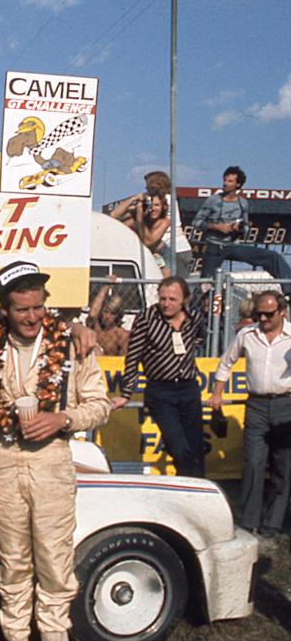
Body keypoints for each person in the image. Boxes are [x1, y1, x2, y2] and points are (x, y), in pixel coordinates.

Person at [0, 261, 111, 641]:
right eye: (21, 310)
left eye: (38, 307)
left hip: (52, 462)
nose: (32, 317)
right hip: (4, 463)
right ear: (4, 310)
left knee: (54, 561)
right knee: (12, 561)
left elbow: (100, 404)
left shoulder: (73, 345)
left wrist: (63, 418)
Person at [209, 291, 291, 537]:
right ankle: (249, 520)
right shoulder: (247, 335)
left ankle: (272, 523)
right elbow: (226, 363)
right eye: (259, 314)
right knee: (253, 463)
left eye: (269, 314)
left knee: (283, 466)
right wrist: (217, 393)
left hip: (286, 404)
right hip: (255, 405)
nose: (263, 319)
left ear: (282, 313)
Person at [114, 276, 205, 477]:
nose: (166, 304)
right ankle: (189, 485)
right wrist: (126, 393)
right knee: (178, 447)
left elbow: (199, 337)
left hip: (188, 388)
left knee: (196, 447)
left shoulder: (194, 317)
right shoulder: (147, 318)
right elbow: (133, 356)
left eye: (172, 299)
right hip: (161, 390)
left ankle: (197, 490)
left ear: (184, 300)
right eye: (163, 298)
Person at [192, 166, 291, 295]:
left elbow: (246, 227)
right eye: (225, 180)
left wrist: (238, 228)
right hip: (214, 246)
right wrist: (217, 227)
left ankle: (288, 291)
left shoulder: (242, 203)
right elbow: (196, 222)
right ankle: (199, 304)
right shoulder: (213, 201)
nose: (225, 184)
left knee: (273, 257)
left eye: (230, 181)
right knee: (206, 282)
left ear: (238, 185)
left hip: (233, 245)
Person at [109, 191, 172, 277]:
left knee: (164, 281)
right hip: (139, 252)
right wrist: (134, 199)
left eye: (157, 205)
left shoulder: (165, 222)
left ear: (163, 207)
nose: (153, 208)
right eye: (151, 205)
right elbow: (113, 215)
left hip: (160, 254)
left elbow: (148, 242)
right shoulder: (139, 214)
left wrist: (139, 218)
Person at [86, 276, 129, 355]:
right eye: (105, 311)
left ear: (117, 316)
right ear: (101, 311)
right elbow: (92, 314)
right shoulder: (95, 327)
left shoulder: (120, 334)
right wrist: (106, 286)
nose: (108, 316)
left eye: (112, 313)